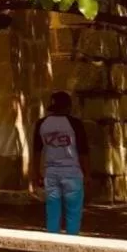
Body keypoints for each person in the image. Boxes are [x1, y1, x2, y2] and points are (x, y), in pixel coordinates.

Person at [33, 91, 90, 235]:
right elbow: (83, 151)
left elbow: (37, 151)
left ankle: (52, 240)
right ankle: (72, 239)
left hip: (51, 172)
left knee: (52, 210)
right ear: (68, 106)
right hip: (72, 171)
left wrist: (35, 173)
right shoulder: (75, 124)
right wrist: (87, 173)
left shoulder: (42, 124)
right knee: (73, 211)